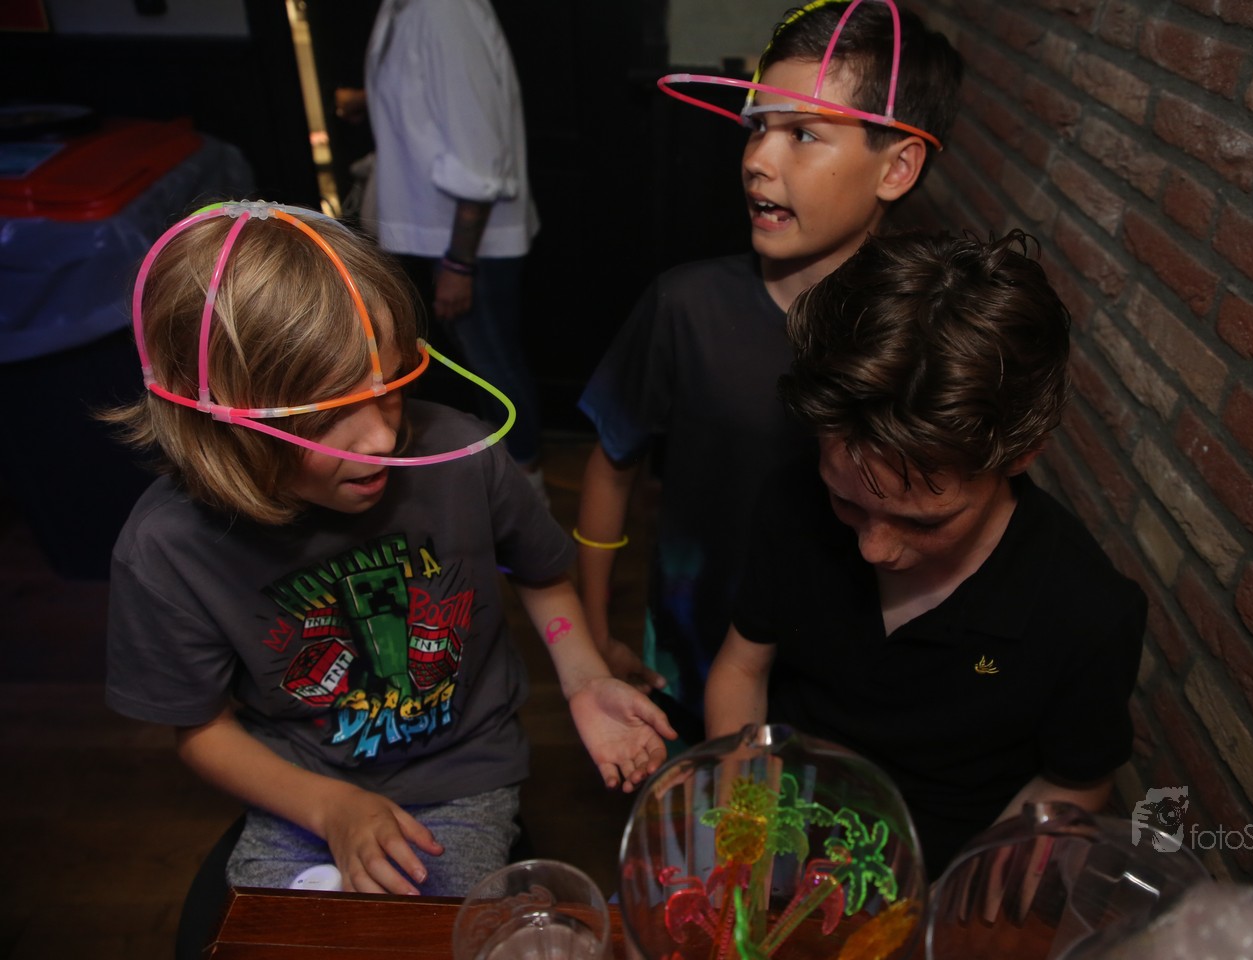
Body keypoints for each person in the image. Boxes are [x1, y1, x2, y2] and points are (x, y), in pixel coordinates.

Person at [103, 203, 675, 898]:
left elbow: (541, 574)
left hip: (464, 775)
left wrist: (583, 678)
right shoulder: (165, 550)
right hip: (297, 783)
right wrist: (329, 807)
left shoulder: (464, 456)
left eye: (391, 387)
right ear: (223, 422)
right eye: (328, 413)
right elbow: (201, 730)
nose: (379, 438)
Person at [575, 0, 965, 742]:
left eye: (803, 134)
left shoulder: (927, 337)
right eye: (758, 127)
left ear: (898, 166)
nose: (757, 159)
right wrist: (594, 638)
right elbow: (613, 463)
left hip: (844, 690)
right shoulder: (686, 306)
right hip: (688, 662)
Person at [705, 230, 1147, 878]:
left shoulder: (1086, 613)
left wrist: (962, 893)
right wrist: (748, 824)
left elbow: (1073, 782)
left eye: (923, 521)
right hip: (789, 836)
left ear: (1019, 454)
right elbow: (742, 669)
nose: (874, 548)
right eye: (847, 502)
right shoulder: (792, 502)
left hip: (940, 875)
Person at [362, 0, 545, 486]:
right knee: (481, 371)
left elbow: (478, 153)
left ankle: (529, 491)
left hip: (469, 242)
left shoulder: (444, 11)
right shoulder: (405, 9)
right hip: (436, 233)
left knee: (496, 371)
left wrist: (460, 264)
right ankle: (506, 482)